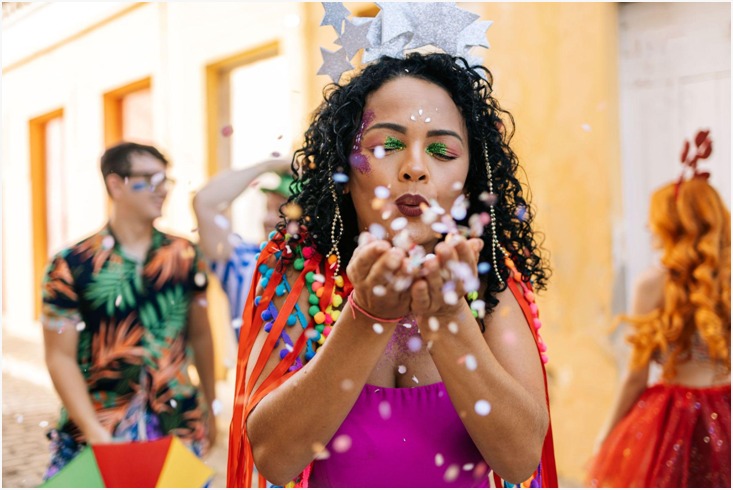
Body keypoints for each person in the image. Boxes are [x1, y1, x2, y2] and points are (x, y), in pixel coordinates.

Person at [227, 5, 557, 488]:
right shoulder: (293, 267)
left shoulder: (492, 277)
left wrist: (447, 319)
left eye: (442, 150)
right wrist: (366, 315)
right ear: (342, 170)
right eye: (387, 146)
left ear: (468, 183)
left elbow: (521, 457)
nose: (416, 168)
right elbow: (274, 459)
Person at [41, 142, 218, 480]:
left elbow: (200, 334)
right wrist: (95, 432)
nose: (162, 189)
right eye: (150, 179)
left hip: (177, 424)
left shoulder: (184, 254)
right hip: (97, 429)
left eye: (165, 180)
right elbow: (59, 357)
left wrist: (211, 407)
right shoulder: (70, 265)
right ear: (116, 185)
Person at [587, 131, 731, 487]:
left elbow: (635, 377)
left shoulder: (652, 284)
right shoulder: (725, 280)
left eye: (654, 218)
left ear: (671, 225)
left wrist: (606, 434)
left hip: (674, 416)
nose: (647, 226)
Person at [193, 159, 293, 341]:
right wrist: (268, 166)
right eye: (267, 208)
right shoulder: (242, 260)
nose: (268, 219)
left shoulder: (324, 269)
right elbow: (204, 202)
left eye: (282, 213)